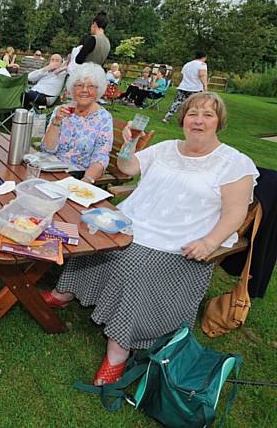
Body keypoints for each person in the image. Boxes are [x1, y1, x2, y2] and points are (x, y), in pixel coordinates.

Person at [41, 92, 258, 386]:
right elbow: (128, 168)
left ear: (219, 122)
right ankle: (65, 292)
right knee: (94, 240)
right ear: (183, 119)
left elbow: (234, 215)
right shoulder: (168, 148)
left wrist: (208, 243)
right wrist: (130, 141)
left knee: (133, 266)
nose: (198, 120)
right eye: (193, 113)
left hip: (179, 243)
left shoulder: (234, 163)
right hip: (134, 224)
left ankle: (118, 351)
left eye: (208, 115)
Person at [40, 63, 112, 183]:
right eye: (79, 85)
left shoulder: (104, 118)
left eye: (90, 86)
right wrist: (56, 121)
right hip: (50, 168)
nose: (84, 90)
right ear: (72, 89)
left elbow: (100, 157)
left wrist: (86, 181)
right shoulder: (62, 111)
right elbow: (47, 149)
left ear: (98, 90)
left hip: (76, 175)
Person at [162, 51, 208, 123]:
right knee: (194, 106)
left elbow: (182, 76)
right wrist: (205, 86)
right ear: (204, 57)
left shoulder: (187, 64)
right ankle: (190, 120)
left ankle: (166, 117)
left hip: (183, 87)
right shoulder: (202, 64)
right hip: (195, 88)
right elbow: (202, 75)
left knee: (177, 103)